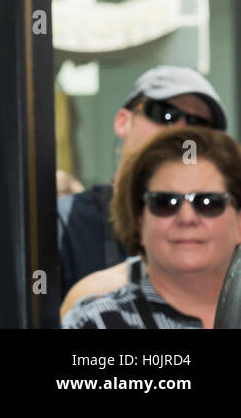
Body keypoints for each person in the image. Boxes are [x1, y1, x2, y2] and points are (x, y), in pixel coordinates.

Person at [57, 65, 227, 302]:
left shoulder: (221, 233)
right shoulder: (63, 224)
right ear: (123, 121)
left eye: (198, 124)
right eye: (164, 114)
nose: (180, 130)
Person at [62, 126, 241, 328]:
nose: (186, 217)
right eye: (164, 202)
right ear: (139, 221)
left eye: (208, 202)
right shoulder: (98, 322)